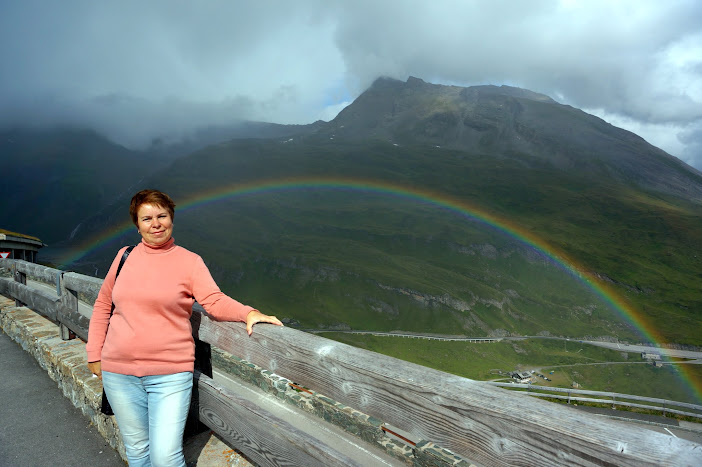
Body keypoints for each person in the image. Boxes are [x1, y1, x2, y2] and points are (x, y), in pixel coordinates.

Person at [86, 189, 283, 467]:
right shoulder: (124, 257)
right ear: (137, 224)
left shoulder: (189, 262)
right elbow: (103, 304)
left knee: (166, 457)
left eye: (162, 216)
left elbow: (214, 301)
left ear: (172, 218)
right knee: (138, 450)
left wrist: (249, 312)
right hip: (119, 372)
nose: (156, 223)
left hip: (169, 373)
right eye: (147, 218)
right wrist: (95, 352)